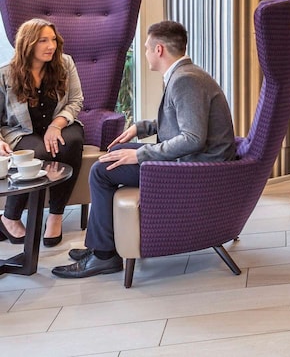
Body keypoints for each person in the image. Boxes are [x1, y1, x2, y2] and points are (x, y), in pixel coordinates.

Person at [52, 20, 237, 279]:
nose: (146, 53)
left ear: (159, 49)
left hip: (196, 168)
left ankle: (104, 256)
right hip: (193, 159)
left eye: (147, 48)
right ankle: (100, 246)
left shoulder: (185, 80)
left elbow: (193, 138)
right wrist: (141, 128)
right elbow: (183, 121)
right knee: (114, 155)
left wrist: (140, 154)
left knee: (101, 171)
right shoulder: (186, 74)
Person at [0, 18, 85, 247]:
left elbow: (76, 101)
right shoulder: (5, 73)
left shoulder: (65, 63)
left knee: (70, 143)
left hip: (60, 123)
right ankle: (9, 217)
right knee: (37, 154)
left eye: (53, 40)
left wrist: (56, 126)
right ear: (27, 44)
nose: (51, 46)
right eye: (43, 41)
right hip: (21, 131)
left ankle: (56, 215)